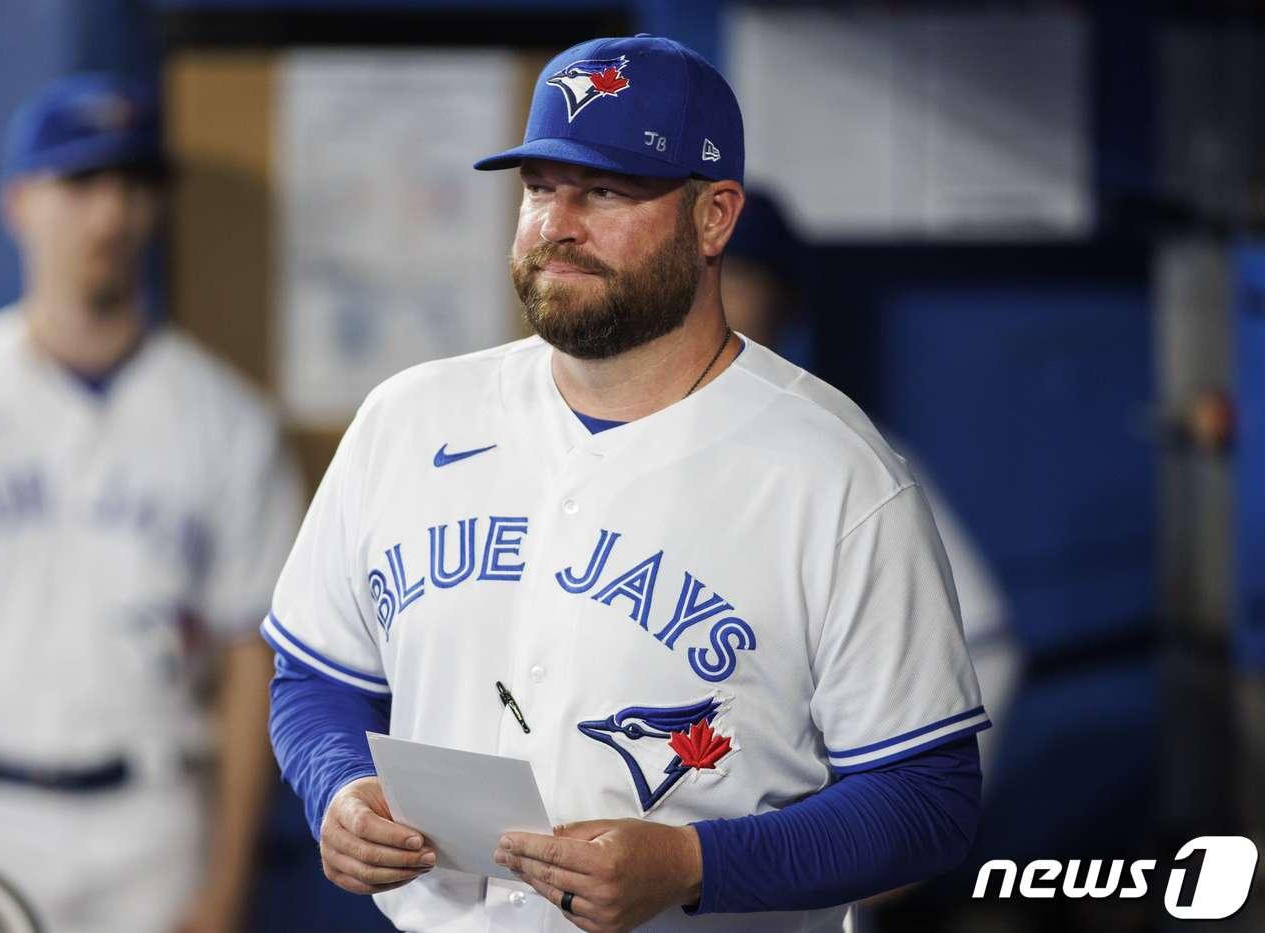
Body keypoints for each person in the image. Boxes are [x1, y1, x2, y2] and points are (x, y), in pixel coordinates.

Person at [265, 35, 988, 933]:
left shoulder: (834, 473)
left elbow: (929, 798)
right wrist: (340, 786)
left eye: (604, 190)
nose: (556, 224)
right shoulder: (407, 420)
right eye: (538, 187)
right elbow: (315, 674)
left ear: (715, 217)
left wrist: (693, 864)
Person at [0, 73, 303, 933]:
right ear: (18, 202)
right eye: (80, 184)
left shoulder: (229, 421)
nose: (110, 215)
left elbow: (252, 663)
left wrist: (222, 886)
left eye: (132, 186)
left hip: (149, 822)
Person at [721, 189, 1022, 781]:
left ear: (787, 303)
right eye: (691, 276)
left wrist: (895, 851)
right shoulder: (607, 451)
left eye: (735, 276)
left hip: (787, 848)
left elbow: (987, 652)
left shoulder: (852, 457)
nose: (709, 300)